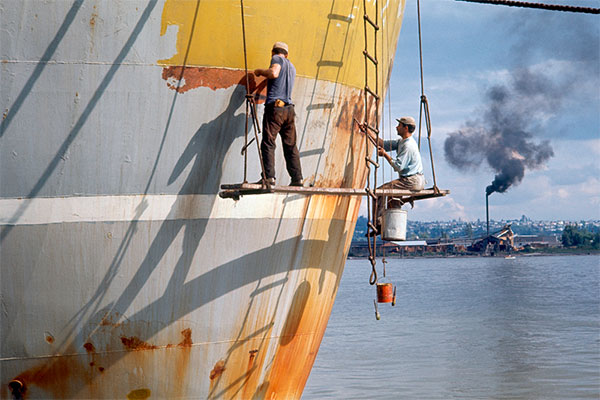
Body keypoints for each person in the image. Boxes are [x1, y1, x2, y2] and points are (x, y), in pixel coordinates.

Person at [253, 42, 303, 186]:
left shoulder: (276, 60)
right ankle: (297, 178)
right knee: (290, 146)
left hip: (275, 109)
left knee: (268, 143)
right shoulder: (291, 67)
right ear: (287, 54)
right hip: (289, 110)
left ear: (273, 52)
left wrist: (260, 72)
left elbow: (274, 73)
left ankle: (269, 177)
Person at [366, 116, 425, 235]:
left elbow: (398, 166)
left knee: (379, 192)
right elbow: (383, 144)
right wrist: (367, 132)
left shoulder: (408, 146)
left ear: (406, 128)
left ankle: (378, 224)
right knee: (392, 199)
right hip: (412, 179)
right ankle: (392, 228)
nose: (396, 127)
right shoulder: (401, 142)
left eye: (399, 125)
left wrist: (385, 155)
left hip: (412, 180)